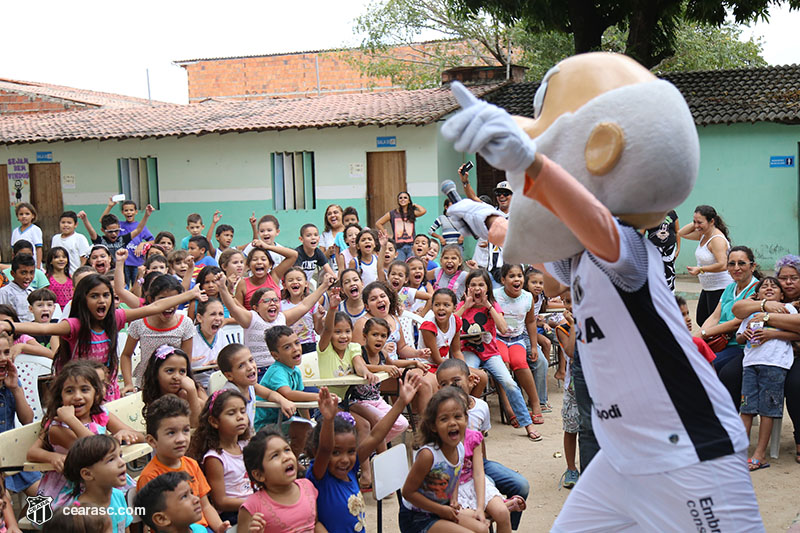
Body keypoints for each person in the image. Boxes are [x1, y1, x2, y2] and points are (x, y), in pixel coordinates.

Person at [442, 52, 761, 530]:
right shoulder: (580, 261)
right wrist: (483, 217)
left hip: (690, 451)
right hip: (623, 458)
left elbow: (589, 221)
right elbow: (534, 251)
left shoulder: (626, 251)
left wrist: (532, 165)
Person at [0, 273, 201, 401]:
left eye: (106, 295)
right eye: (94, 296)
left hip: (107, 389)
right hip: (78, 390)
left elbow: (155, 306)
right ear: (83, 299)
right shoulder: (75, 326)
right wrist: (10, 325)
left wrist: (190, 294)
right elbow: (44, 330)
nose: (102, 300)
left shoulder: (116, 318)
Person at [30, 361, 143, 509]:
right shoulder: (58, 426)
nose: (77, 396)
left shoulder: (102, 414)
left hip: (102, 479)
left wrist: (125, 433)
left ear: (96, 393)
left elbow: (141, 437)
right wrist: (70, 420)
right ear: (60, 396)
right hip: (72, 489)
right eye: (69, 391)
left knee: (137, 500)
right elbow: (96, 449)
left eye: (84, 389)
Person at [436, 358, 529, 530]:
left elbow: (480, 443)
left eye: (456, 381)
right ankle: (497, 509)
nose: (451, 386)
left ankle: (504, 518)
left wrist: (481, 468)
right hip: (453, 474)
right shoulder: (437, 417)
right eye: (445, 383)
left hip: (476, 462)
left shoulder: (481, 408)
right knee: (484, 515)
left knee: (521, 485)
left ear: (471, 381)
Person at [456, 269, 541, 442]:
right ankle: (468, 423)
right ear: (467, 288)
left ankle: (527, 423)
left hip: (491, 353)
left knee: (510, 383)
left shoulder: (493, 305)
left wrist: (488, 306)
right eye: (473, 285)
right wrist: (466, 307)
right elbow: (450, 325)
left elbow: (503, 328)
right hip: (469, 351)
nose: (477, 288)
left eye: (481, 285)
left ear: (488, 288)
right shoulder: (462, 305)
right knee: (466, 381)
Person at [732, 254, 800, 465]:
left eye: (794, 278)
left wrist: (769, 324)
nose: (788, 282)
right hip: (753, 360)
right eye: (783, 278)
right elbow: (739, 314)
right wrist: (763, 307)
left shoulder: (790, 307)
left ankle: (786, 445)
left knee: (793, 387)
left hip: (780, 360)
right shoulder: (762, 303)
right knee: (737, 390)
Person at [399, 386, 488, 533]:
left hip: (441, 509)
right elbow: (408, 492)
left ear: (466, 419)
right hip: (417, 518)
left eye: (457, 416)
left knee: (483, 529)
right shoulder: (428, 455)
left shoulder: (459, 448)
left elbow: (454, 475)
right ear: (433, 426)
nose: (452, 423)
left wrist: (453, 499)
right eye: (444, 419)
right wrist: (441, 509)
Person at [137, 394, 229, 532]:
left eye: (185, 430)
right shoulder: (150, 476)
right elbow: (150, 525)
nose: (181, 439)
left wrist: (219, 528)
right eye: (171, 433)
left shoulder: (191, 464)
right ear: (152, 441)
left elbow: (205, 506)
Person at [220, 272, 332, 379]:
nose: (272, 303)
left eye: (275, 300)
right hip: (260, 371)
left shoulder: (281, 318)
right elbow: (232, 307)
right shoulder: (251, 318)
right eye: (267, 301)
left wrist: (324, 286)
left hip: (282, 369)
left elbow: (304, 305)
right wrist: (222, 288)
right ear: (256, 307)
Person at [237, 426, 322, 532]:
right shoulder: (253, 506)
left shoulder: (307, 486)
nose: (286, 457)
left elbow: (316, 523)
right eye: (275, 456)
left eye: (287, 450)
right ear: (259, 475)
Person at [121, 274, 195, 392]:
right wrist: (128, 383)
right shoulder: (139, 323)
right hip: (146, 386)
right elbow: (126, 355)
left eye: (173, 299)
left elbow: (186, 360)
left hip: (174, 386)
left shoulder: (185, 324)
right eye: (162, 300)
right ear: (151, 300)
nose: (169, 305)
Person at [188, 389, 253, 525]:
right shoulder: (215, 458)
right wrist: (255, 502)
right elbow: (220, 501)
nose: (240, 417)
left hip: (253, 504)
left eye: (242, 411)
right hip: (233, 514)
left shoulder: (246, 446)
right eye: (231, 413)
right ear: (214, 421)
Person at [698, 246, 760, 375]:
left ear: (752, 266)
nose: (736, 268)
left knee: (707, 368)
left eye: (741, 263)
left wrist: (704, 333)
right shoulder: (730, 288)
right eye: (732, 264)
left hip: (739, 346)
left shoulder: (758, 290)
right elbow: (715, 316)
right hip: (720, 343)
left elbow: (736, 323)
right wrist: (699, 337)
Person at [494, 264, 544, 425]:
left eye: (519, 276)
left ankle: (535, 404)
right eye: (511, 276)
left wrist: (534, 346)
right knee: (503, 364)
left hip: (517, 339)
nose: (517, 279)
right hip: (498, 339)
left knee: (520, 364)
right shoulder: (495, 296)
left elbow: (530, 321)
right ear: (503, 280)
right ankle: (509, 409)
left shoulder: (527, 297)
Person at [0, 331, 42, 501]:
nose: (3, 358)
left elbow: (27, 419)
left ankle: (28, 521)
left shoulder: (12, 382)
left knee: (44, 497)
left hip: (12, 455)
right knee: (5, 501)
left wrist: (15, 389)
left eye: (6, 352)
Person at [61, 434, 131, 533]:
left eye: (120, 456)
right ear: (87, 474)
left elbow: (125, 529)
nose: (122, 463)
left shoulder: (118, 496)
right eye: (111, 459)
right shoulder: (79, 514)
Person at [679, 205, 734, 326]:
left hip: (720, 287)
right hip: (708, 287)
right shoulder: (703, 234)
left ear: (712, 221)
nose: (696, 226)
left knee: (714, 324)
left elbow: (723, 264)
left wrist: (701, 270)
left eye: (700, 222)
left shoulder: (716, 239)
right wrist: (698, 223)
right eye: (694, 222)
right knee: (702, 319)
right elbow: (681, 233)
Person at [217, 343, 296, 426]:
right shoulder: (230, 396)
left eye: (251, 360)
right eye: (241, 366)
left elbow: (269, 394)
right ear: (229, 375)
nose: (250, 367)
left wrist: (283, 401)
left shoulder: (250, 386)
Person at [141, 346, 207, 427]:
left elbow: (195, 425)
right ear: (155, 373)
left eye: (182, 371)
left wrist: (192, 391)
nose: (176, 376)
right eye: (170, 371)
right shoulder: (153, 395)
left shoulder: (191, 392)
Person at [100, 199, 155, 286]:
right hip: (123, 263)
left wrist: (142, 244)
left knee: (137, 284)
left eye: (131, 210)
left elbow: (153, 241)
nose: (129, 212)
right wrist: (110, 206)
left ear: (136, 212)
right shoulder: (119, 225)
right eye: (126, 210)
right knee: (123, 285)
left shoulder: (140, 226)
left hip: (137, 261)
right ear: (122, 212)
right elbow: (103, 221)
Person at [135, 471, 207, 533]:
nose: (196, 499)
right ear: (161, 518)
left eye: (191, 493)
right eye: (184, 496)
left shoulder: (200, 529)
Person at [235, 242, 297, 311]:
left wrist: (268, 247)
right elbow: (236, 310)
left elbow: (293, 255)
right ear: (249, 265)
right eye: (255, 259)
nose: (259, 262)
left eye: (263, 259)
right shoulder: (243, 284)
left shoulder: (274, 276)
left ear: (270, 264)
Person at [77, 205, 153, 257]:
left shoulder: (122, 240)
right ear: (103, 230)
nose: (114, 234)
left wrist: (146, 215)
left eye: (116, 231)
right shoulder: (100, 241)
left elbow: (138, 230)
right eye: (110, 232)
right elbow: (91, 231)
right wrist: (85, 219)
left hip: (120, 270)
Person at [281, 267, 324, 354]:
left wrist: (319, 319)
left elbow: (319, 330)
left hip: (309, 345)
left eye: (299, 279)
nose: (295, 282)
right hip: (289, 346)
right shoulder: (281, 305)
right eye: (290, 280)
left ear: (306, 284)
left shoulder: (313, 304)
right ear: (284, 285)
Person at [376, 192, 426, 262]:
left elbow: (423, 211)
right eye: (400, 198)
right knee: (399, 265)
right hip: (399, 246)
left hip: (411, 245)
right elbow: (378, 223)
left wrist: (414, 205)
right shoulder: (392, 213)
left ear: (409, 201)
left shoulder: (412, 212)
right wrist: (386, 234)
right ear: (398, 200)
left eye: (405, 198)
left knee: (411, 264)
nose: (403, 199)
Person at [191, 298, 227, 388]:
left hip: (221, 383)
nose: (218, 318)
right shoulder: (190, 336)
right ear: (199, 318)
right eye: (213, 314)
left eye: (221, 314)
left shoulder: (221, 333)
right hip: (197, 385)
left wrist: (219, 363)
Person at [645, 210, 680, 291]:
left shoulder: (672, 213)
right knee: (654, 272)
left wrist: (678, 249)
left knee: (669, 271)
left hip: (669, 249)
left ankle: (670, 295)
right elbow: (642, 233)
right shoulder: (647, 214)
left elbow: (678, 231)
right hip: (653, 248)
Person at [51, 211, 90, 275]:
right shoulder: (55, 238)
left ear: (75, 225)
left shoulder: (80, 238)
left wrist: (78, 274)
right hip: (59, 275)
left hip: (74, 274)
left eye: (69, 223)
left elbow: (84, 259)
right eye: (63, 222)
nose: (65, 225)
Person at [0, 253, 36, 322]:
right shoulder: (4, 293)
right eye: (23, 273)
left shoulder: (33, 292)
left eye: (31, 272)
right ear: (13, 274)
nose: (28, 277)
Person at [11, 202, 43, 269]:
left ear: (33, 216)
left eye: (27, 214)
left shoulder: (35, 229)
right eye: (21, 214)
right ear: (17, 216)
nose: (24, 216)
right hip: (19, 265)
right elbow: (13, 250)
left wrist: (38, 266)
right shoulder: (15, 231)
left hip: (32, 264)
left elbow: (38, 248)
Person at [319, 204, 345, 274]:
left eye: (336, 212)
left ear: (342, 215)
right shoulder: (325, 235)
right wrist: (328, 252)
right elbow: (320, 258)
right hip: (332, 274)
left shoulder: (350, 232)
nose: (333, 215)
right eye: (329, 214)